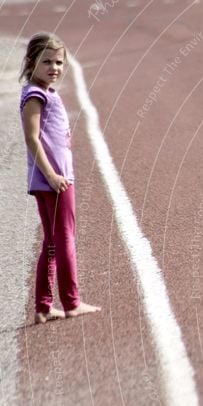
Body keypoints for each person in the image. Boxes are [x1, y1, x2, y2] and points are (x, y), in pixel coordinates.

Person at [19, 32, 101, 324]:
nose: (54, 67)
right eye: (47, 62)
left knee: (51, 243)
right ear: (31, 62)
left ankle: (42, 306)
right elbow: (31, 139)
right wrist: (53, 175)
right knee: (64, 238)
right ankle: (72, 302)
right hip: (54, 181)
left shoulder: (46, 92)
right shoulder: (35, 95)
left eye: (59, 62)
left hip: (55, 179)